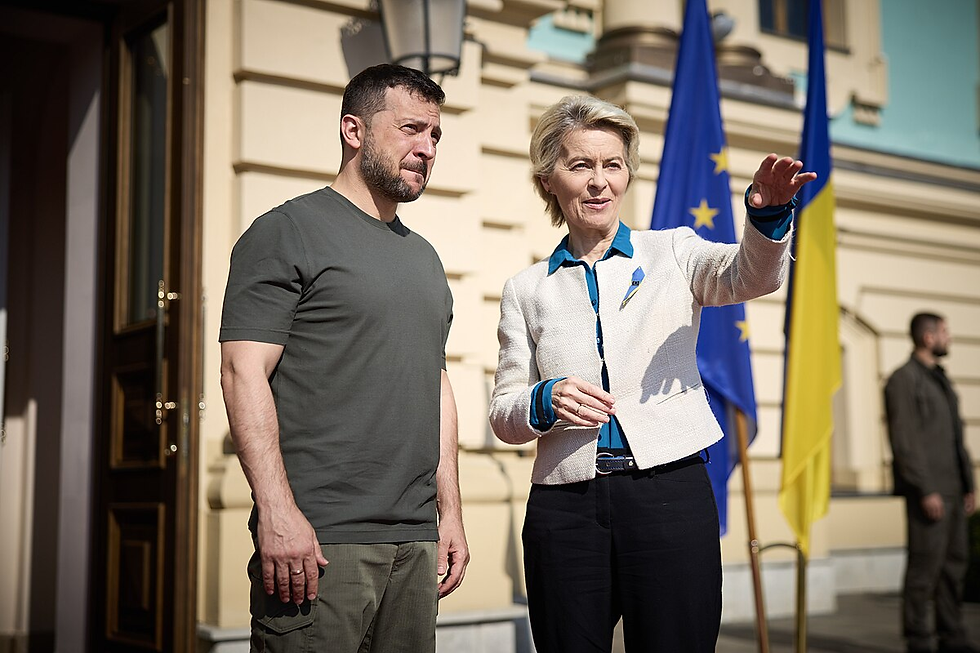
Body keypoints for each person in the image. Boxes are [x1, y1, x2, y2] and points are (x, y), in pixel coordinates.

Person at [488, 95, 816, 653]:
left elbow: (749, 277)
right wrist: (543, 401)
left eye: (612, 165)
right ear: (549, 181)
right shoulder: (527, 289)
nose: (598, 182)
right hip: (565, 511)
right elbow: (504, 412)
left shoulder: (674, 252)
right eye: (580, 165)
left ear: (627, 176)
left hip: (670, 493)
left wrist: (765, 217)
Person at [219, 63, 468, 653]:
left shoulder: (426, 259)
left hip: (416, 540)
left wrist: (449, 513)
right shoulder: (286, 231)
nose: (427, 148)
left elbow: (435, 385)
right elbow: (241, 371)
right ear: (353, 130)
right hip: (320, 540)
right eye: (411, 129)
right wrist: (276, 510)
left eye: (435, 135)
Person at [885, 313, 977, 653]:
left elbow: (956, 438)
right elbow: (904, 442)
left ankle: (952, 635)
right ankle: (918, 639)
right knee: (924, 571)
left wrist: (969, 486)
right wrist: (925, 489)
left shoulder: (942, 380)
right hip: (930, 492)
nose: (948, 338)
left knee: (954, 567)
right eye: (944, 332)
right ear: (928, 337)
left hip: (954, 490)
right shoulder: (903, 381)